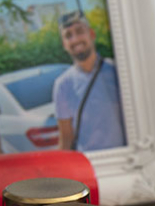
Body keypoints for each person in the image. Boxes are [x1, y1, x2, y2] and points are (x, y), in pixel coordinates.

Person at [53, 11, 126, 151]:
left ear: (91, 34)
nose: (75, 40)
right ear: (64, 44)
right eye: (68, 36)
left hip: (124, 159)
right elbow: (66, 138)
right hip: (88, 165)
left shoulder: (117, 71)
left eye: (80, 31)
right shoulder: (62, 85)